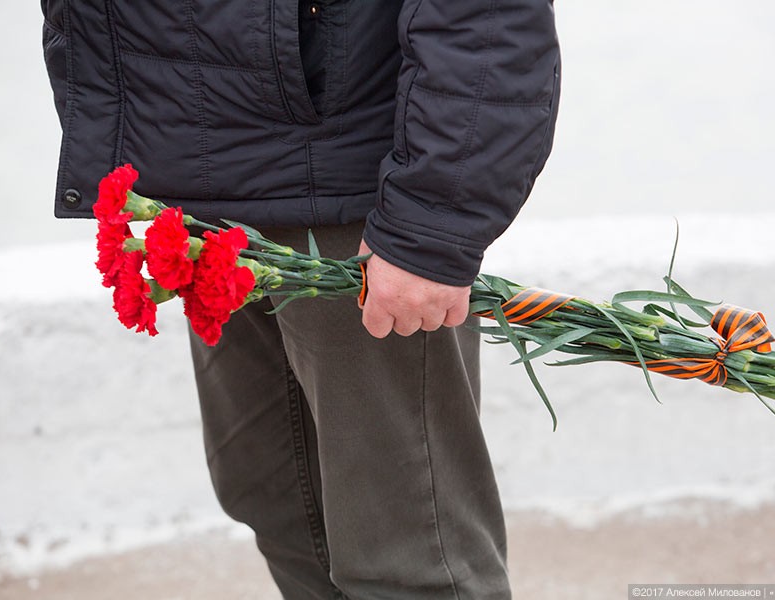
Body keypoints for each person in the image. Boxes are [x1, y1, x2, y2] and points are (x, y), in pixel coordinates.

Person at [41, 2, 560, 598]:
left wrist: (430, 221)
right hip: (207, 181)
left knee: (410, 557)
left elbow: (487, 17)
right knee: (278, 509)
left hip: (355, 205)